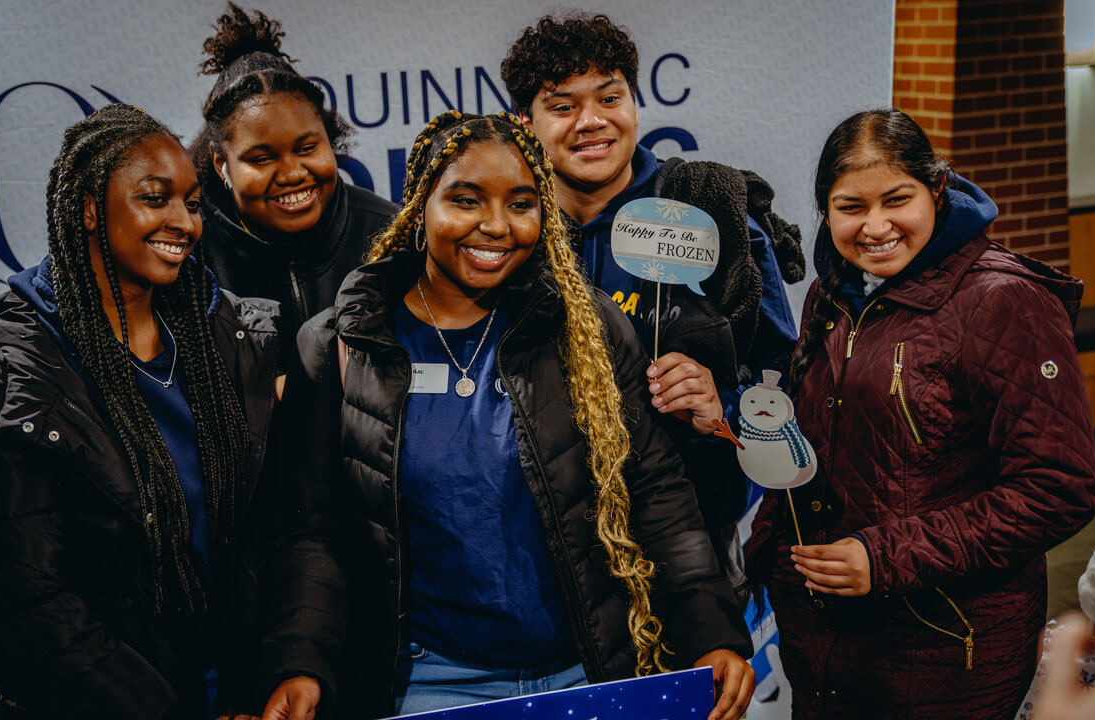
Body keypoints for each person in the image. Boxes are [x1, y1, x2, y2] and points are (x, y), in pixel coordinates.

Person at [279, 111, 754, 720]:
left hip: (586, 671)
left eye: (522, 203)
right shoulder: (339, 345)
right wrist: (298, 660)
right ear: (421, 204)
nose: (497, 226)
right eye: (466, 199)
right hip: (427, 682)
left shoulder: (586, 330)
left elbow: (657, 494)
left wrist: (711, 631)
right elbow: (311, 532)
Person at [0, 104, 317, 719]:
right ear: (91, 209)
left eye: (193, 203)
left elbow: (287, 529)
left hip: (228, 688)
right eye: (155, 199)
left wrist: (289, 661)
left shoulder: (225, 335)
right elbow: (35, 603)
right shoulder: (22, 368)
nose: (183, 222)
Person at [745, 108, 1095, 719]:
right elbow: (816, 445)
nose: (875, 226)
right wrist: (768, 561)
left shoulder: (1002, 301)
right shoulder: (833, 291)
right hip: (826, 646)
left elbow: (1058, 489)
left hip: (944, 655)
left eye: (896, 199)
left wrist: (884, 558)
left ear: (937, 189)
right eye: (850, 207)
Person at [500, 13, 806, 591]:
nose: (591, 122)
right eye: (562, 106)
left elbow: (784, 383)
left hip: (690, 549)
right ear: (525, 123)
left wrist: (725, 409)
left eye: (610, 97)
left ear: (635, 102)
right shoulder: (504, 231)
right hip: (544, 558)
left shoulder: (712, 214)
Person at [191, 3, 396, 364]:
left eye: (306, 148)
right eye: (262, 158)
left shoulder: (388, 234)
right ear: (222, 164)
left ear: (329, 139)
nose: (291, 174)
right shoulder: (191, 253)